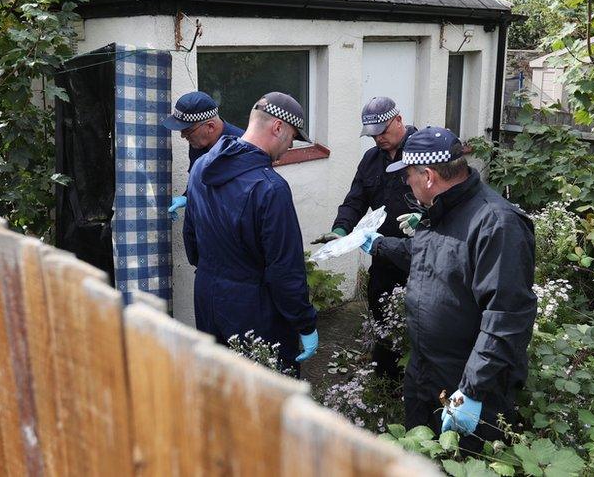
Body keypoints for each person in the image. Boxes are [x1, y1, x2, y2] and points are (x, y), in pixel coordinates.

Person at [359, 126, 536, 452]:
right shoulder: (440, 211)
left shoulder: (496, 223)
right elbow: (427, 257)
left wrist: (471, 391)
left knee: (461, 462)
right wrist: (378, 245)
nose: (406, 183)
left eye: (408, 175)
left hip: (465, 385)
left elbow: (506, 316)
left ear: (427, 176)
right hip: (424, 373)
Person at [183, 92, 319, 373]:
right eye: (292, 137)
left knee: (218, 386)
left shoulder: (199, 168)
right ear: (278, 128)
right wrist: (304, 324)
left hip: (207, 297)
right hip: (252, 310)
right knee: (266, 396)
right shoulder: (270, 188)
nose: (290, 146)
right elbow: (285, 270)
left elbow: (191, 241)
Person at [311, 96, 418, 378]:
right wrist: (340, 231)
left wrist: (427, 220)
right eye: (372, 135)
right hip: (384, 256)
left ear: (399, 119)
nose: (378, 139)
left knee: (419, 327)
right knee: (383, 321)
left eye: (383, 131)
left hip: (422, 258)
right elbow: (355, 200)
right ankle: (385, 383)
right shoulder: (371, 160)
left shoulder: (423, 150)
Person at [162, 91, 244, 220]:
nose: (183, 136)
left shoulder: (242, 147)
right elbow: (197, 180)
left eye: (188, 131)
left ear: (210, 127)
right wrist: (187, 197)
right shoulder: (198, 143)